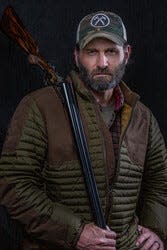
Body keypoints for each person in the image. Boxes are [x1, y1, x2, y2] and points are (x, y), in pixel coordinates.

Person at [0, 10, 166, 250]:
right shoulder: (39, 107)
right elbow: (13, 184)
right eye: (92, 52)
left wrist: (156, 228)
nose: (102, 63)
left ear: (126, 54)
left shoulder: (142, 117)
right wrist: (74, 232)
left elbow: (160, 181)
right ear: (76, 56)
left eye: (111, 51)